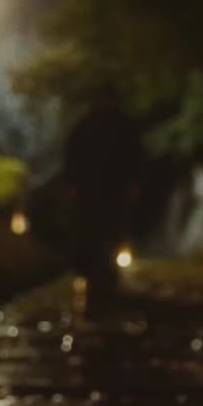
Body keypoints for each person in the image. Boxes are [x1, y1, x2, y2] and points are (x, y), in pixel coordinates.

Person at [61, 83, 145, 318]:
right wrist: (72, 185)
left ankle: (107, 277)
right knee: (93, 236)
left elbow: (135, 155)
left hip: (113, 191)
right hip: (91, 191)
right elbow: (72, 156)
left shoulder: (122, 126)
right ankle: (94, 277)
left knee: (112, 235)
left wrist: (134, 182)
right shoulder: (86, 127)